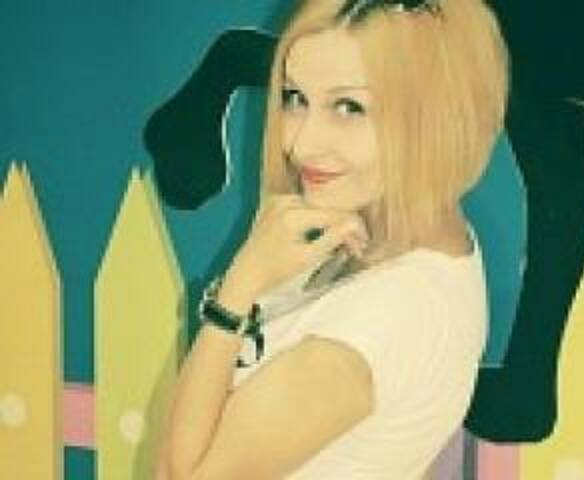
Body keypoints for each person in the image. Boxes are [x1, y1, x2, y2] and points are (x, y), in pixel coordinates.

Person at [153, 0, 509, 478]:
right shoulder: (404, 233)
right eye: (295, 97)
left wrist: (237, 290)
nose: (301, 144)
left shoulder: (364, 332)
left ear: (438, 116)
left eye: (349, 107)